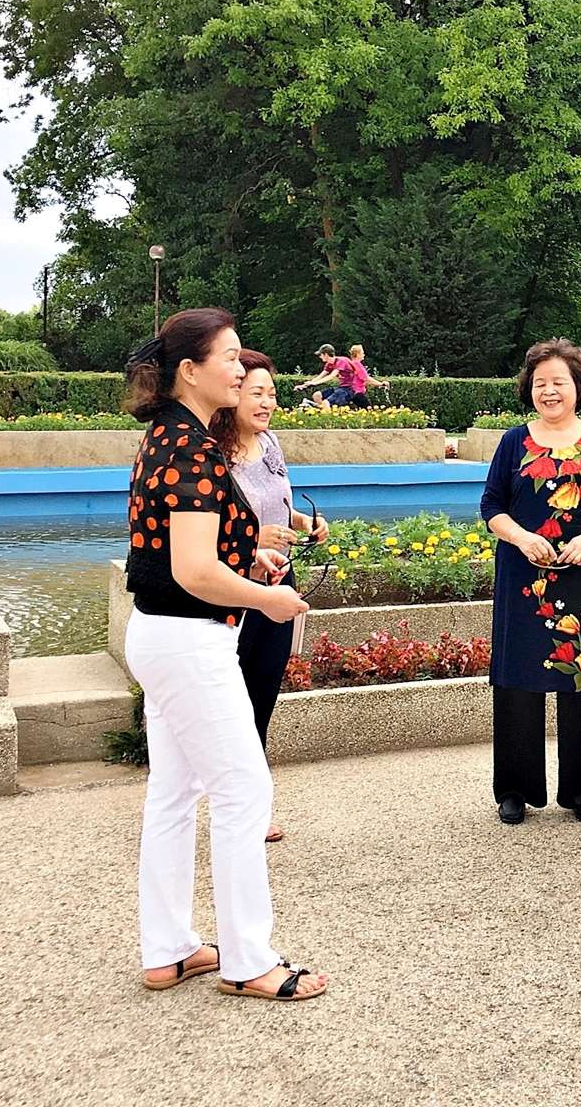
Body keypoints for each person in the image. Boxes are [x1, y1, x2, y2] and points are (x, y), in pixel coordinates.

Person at [121, 308, 326, 1003]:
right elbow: (193, 570)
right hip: (189, 638)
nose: (242, 369)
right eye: (231, 357)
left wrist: (249, 560)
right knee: (243, 791)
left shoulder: (171, 435)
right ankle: (248, 961)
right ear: (190, 370)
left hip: (163, 635)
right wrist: (267, 598)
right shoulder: (192, 450)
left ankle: (170, 950)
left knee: (175, 794)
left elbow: (190, 553)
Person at [480, 339, 581, 825]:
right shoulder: (513, 442)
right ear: (529, 389)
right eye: (540, 383)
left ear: (578, 387)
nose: (549, 391)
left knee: (580, 678)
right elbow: (491, 507)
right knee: (517, 682)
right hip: (523, 576)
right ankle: (515, 790)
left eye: (558, 382)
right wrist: (522, 538)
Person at [210, 349, 329, 844]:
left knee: (261, 694)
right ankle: (229, 804)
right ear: (232, 393)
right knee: (229, 700)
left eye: (272, 394)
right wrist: (254, 540)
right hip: (233, 587)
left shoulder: (270, 444)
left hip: (278, 583)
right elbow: (203, 532)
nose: (267, 403)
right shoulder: (212, 454)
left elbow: (278, 504)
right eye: (256, 393)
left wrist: (304, 522)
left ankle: (251, 804)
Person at [295, 344, 355, 410]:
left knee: (326, 403)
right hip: (341, 387)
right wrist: (303, 386)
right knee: (317, 395)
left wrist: (315, 383)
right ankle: (325, 412)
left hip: (350, 389)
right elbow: (320, 376)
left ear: (326, 354)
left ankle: (328, 414)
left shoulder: (341, 361)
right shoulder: (329, 364)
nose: (320, 357)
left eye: (320, 355)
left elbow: (331, 376)